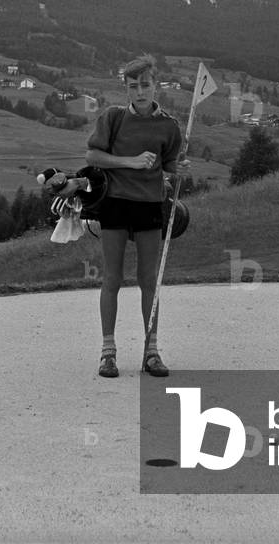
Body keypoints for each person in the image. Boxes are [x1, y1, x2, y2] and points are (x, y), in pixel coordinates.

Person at [85, 55, 190, 378]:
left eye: (146, 85)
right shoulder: (113, 118)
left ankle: (152, 352)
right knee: (112, 279)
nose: (140, 92)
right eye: (134, 87)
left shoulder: (169, 126)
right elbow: (93, 155)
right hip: (115, 203)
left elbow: (171, 165)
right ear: (126, 89)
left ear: (155, 85)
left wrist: (180, 170)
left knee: (149, 281)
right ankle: (108, 353)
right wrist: (130, 162)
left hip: (149, 204)